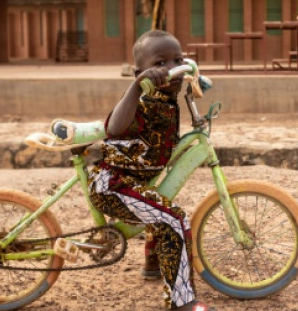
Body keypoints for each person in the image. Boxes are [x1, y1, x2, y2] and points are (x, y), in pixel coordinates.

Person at [88, 30, 214, 311]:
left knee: (157, 200)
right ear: (140, 72)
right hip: (113, 185)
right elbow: (114, 128)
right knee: (173, 219)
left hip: (133, 179)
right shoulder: (140, 101)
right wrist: (135, 87)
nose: (171, 69)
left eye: (177, 60)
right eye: (160, 63)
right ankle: (182, 302)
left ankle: (154, 263)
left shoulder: (168, 97)